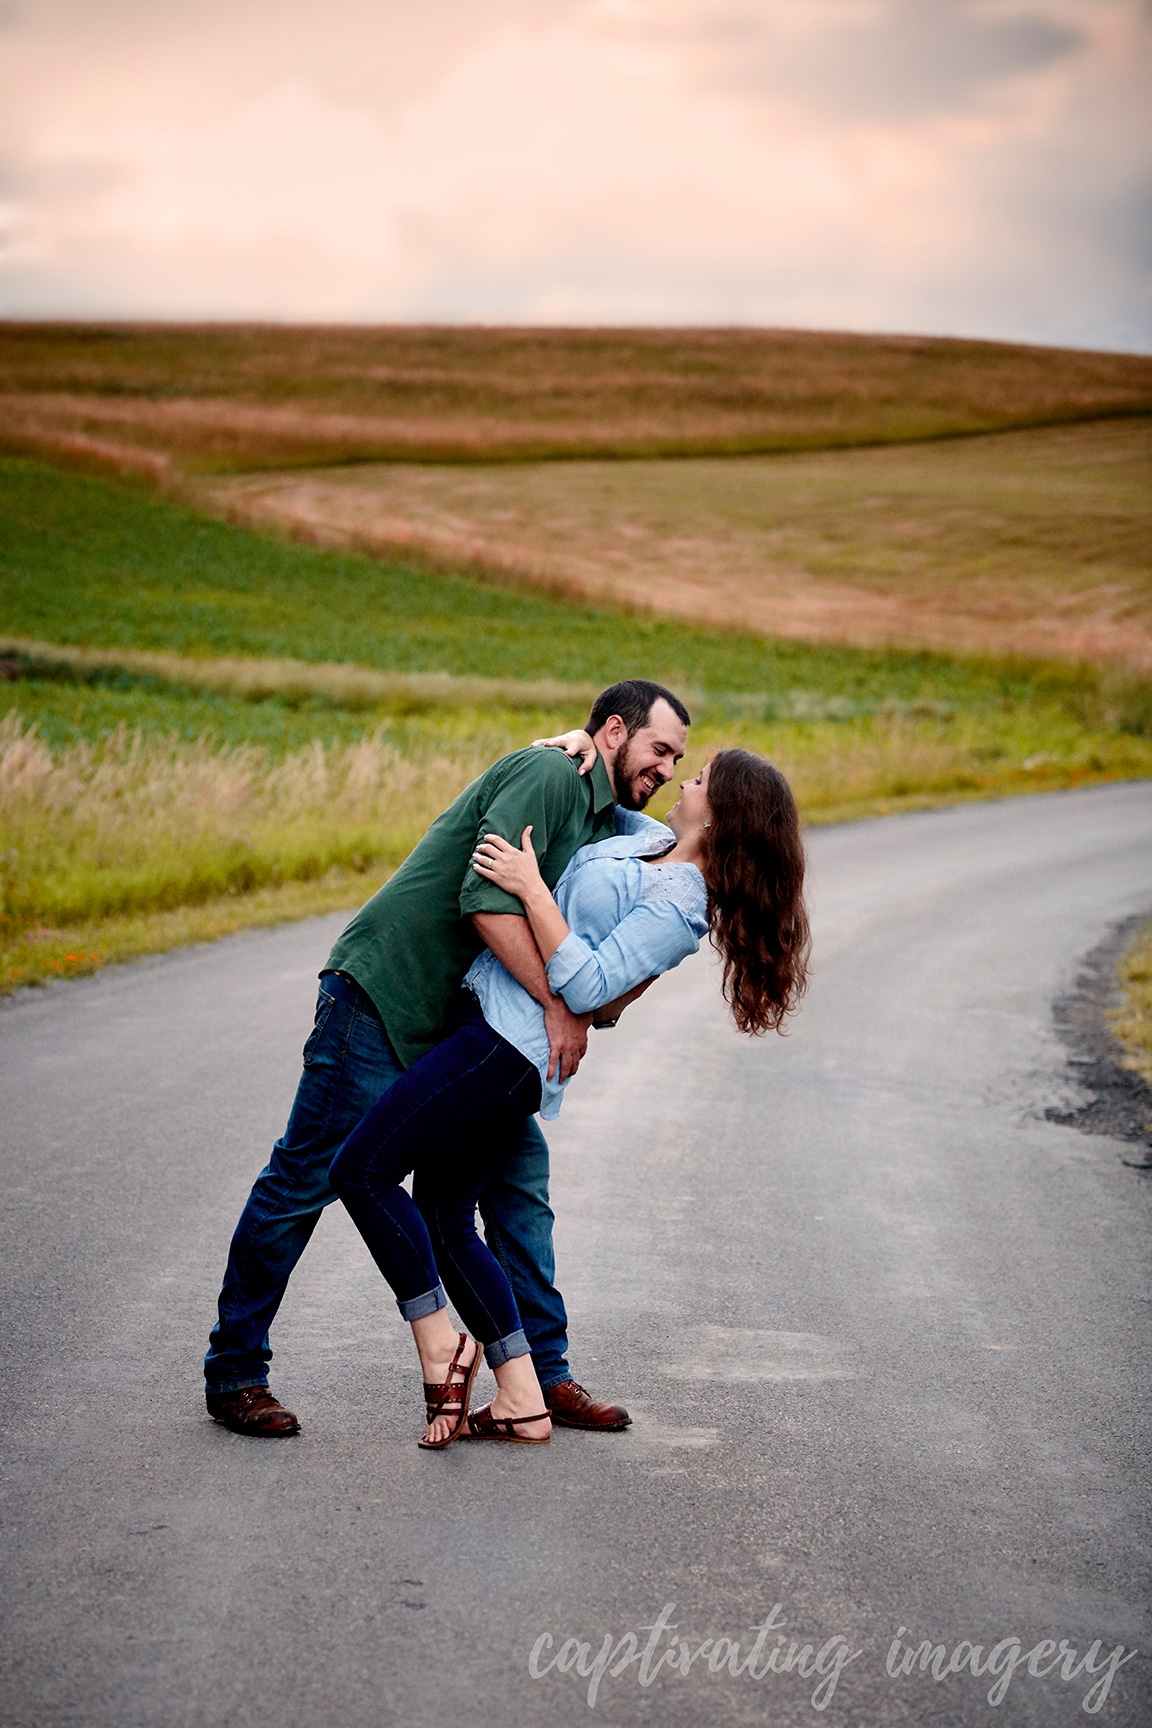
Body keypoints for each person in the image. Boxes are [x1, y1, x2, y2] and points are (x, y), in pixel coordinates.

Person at [204, 679, 691, 1436]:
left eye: (677, 762)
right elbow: (486, 900)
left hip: (471, 1027)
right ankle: (236, 1373)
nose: (664, 770)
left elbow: (666, 865)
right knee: (304, 1180)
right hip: (387, 994)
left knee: (517, 1189)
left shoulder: (605, 812)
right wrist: (563, 1009)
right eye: (659, 751)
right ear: (618, 732)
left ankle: (540, 1378)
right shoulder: (549, 776)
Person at [328, 748, 810, 1447]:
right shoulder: (649, 841)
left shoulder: (680, 906)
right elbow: (584, 795)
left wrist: (530, 887)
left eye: (698, 779)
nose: (681, 779)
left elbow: (589, 991)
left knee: (360, 1170)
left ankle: (442, 1347)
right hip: (491, 1025)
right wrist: (571, 744)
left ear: (725, 813)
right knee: (444, 1213)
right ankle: (523, 1397)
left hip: (504, 1048)